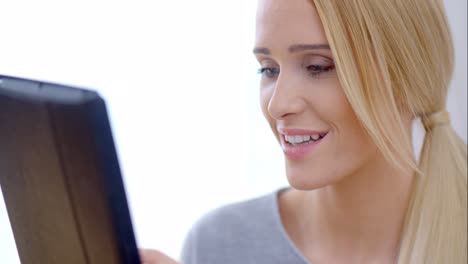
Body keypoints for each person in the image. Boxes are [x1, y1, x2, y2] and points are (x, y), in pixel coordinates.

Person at [141, 0, 467, 263]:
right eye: (268, 69)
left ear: (404, 78)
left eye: (317, 67)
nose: (277, 104)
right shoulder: (219, 244)